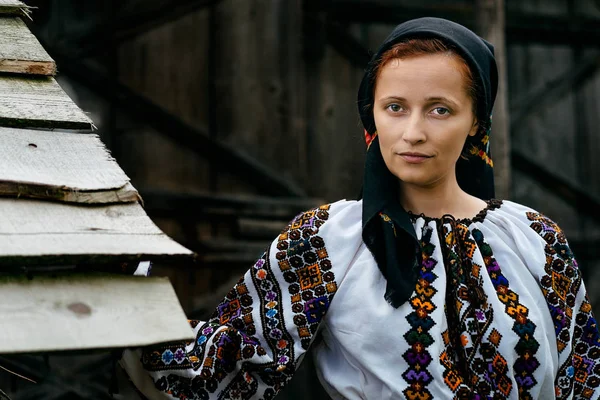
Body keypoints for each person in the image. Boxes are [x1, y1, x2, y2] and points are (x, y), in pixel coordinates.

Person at [120, 17, 600, 399]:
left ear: (476, 122)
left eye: (440, 109)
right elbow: (221, 367)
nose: (413, 131)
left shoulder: (535, 238)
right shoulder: (329, 240)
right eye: (395, 107)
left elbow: (583, 378)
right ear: (371, 113)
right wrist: (118, 303)